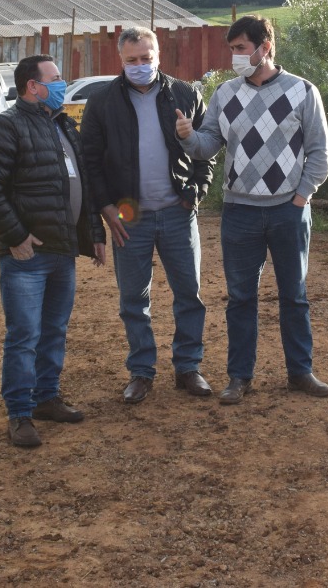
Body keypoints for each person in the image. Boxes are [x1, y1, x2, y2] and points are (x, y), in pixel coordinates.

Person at [176, 15, 328, 405]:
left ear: (266, 48)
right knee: (240, 298)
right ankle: (239, 377)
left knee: (293, 295)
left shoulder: (302, 91)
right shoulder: (225, 94)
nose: (235, 57)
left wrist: (300, 199)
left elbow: (319, 153)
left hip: (288, 211)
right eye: (232, 50)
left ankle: (301, 372)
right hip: (239, 213)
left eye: (241, 49)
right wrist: (188, 137)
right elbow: (208, 144)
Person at [0, 55, 106, 448]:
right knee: (24, 335)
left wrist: (93, 234)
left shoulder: (60, 124)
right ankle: (19, 414)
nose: (63, 84)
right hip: (27, 256)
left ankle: (46, 398)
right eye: (57, 79)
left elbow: (82, 185)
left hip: (62, 251)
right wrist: (15, 235)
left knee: (53, 331)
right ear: (33, 85)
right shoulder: (6, 127)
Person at [80, 27, 214, 404]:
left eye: (146, 58)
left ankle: (188, 366)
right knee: (133, 299)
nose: (140, 66)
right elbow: (90, 160)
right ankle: (141, 371)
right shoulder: (102, 100)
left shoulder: (185, 94)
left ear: (158, 56)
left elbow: (207, 148)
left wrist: (194, 193)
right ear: (120, 61)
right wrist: (107, 209)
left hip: (177, 210)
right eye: (132, 60)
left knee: (189, 293)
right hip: (129, 213)